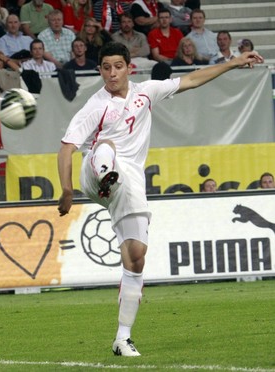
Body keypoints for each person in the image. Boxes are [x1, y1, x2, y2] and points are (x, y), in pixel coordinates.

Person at [57, 41, 263, 357]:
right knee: (106, 146)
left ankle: (122, 338)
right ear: (99, 70)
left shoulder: (147, 91)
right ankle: (105, 173)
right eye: (106, 68)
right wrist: (67, 190)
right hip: (94, 173)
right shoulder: (95, 106)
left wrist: (234, 62)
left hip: (129, 184)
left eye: (118, 66)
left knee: (136, 258)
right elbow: (67, 147)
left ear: (129, 67)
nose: (112, 74)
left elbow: (192, 80)